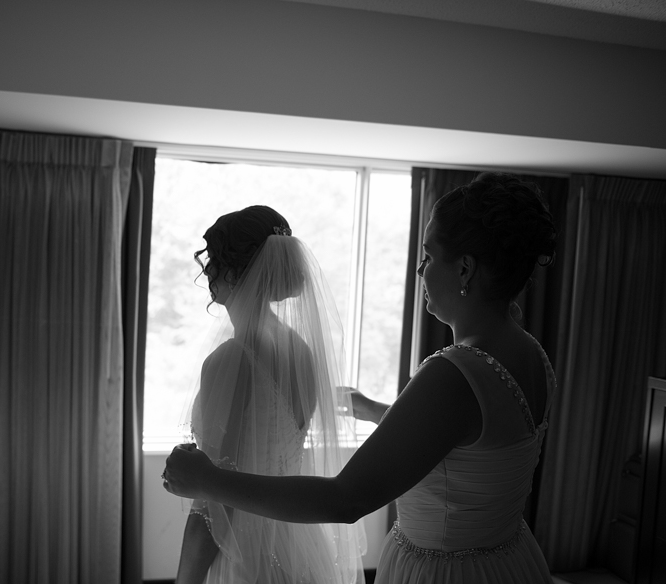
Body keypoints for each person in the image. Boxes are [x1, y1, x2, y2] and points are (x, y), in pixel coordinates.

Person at [164, 173, 559, 584]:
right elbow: (470, 438)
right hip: (509, 560)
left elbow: (345, 499)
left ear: (464, 269)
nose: (421, 270)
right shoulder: (530, 353)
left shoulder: (453, 374)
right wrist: (374, 409)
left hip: (450, 572)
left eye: (427, 256)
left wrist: (207, 480)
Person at [169, 205, 365, 584]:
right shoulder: (300, 352)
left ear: (231, 272)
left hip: (244, 554)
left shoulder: (231, 359)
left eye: (212, 262)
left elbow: (212, 499)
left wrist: (186, 581)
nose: (206, 272)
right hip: (296, 538)